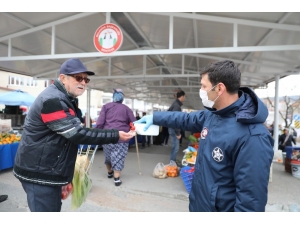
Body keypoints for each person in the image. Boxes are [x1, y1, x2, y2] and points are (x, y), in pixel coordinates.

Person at [134, 60, 274, 212]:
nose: (201, 90)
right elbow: (185, 119)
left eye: (204, 86)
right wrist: (155, 117)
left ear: (220, 88)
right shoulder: (213, 114)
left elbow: (250, 203)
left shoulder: (253, 136)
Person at [13, 58, 134, 212]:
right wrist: (115, 135)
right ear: (63, 78)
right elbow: (77, 134)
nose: (83, 82)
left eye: (86, 79)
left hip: (47, 171)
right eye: (79, 78)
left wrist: (65, 178)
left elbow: (66, 139)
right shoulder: (52, 100)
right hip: (40, 175)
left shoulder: (65, 98)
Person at [96, 89, 136, 186]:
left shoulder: (106, 107)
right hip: (122, 138)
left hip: (107, 136)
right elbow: (134, 123)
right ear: (122, 98)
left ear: (113, 97)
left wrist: (97, 132)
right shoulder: (127, 109)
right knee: (118, 157)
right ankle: (116, 178)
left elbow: (100, 122)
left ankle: (110, 173)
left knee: (108, 156)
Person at [166, 90, 185, 163]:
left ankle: (172, 162)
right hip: (173, 129)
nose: (184, 98)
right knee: (175, 147)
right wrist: (178, 133)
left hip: (171, 128)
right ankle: (172, 163)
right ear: (182, 96)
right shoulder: (177, 106)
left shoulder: (175, 104)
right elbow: (175, 120)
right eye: (184, 96)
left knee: (174, 147)